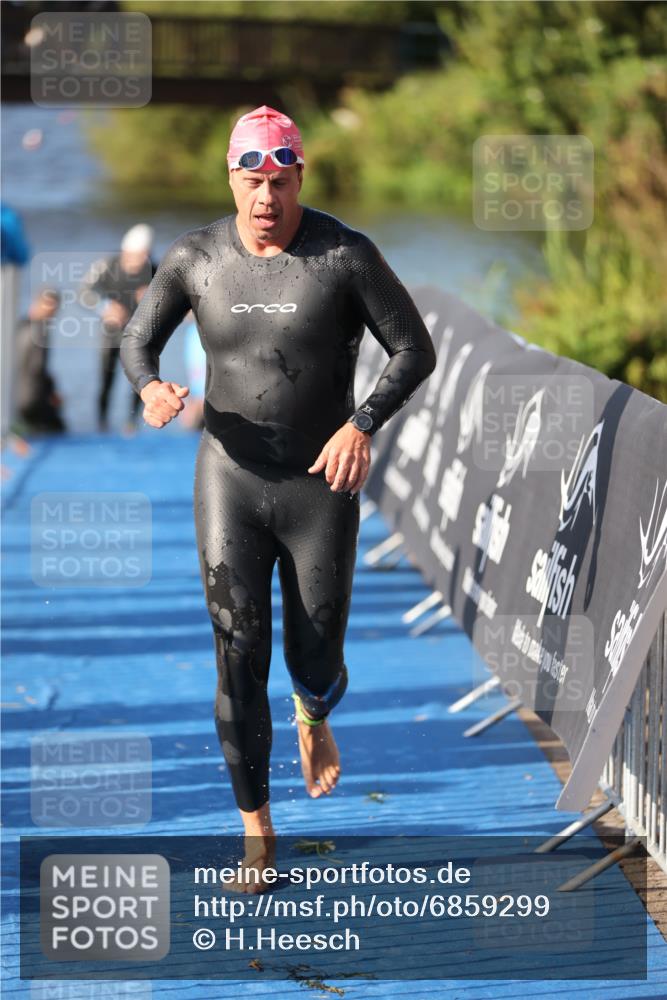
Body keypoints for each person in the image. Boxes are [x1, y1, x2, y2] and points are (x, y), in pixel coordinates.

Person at [120, 105, 436, 888]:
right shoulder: (195, 257)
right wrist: (150, 387)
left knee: (314, 651)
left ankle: (313, 712)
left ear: (299, 177)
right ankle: (257, 833)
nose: (266, 198)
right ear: (231, 177)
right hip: (228, 478)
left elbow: (413, 349)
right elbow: (136, 340)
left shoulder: (343, 254)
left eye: (280, 181)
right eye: (252, 180)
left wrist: (361, 424)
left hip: (319, 484)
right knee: (237, 653)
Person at [79, 223, 156, 432]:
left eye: (145, 256)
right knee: (106, 378)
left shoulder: (154, 270)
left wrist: (153, 298)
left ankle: (132, 425)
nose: (141, 261)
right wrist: (105, 308)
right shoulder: (107, 265)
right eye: (136, 256)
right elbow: (83, 292)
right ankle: (102, 424)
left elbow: (172, 299)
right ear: (125, 252)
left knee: (142, 378)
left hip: (141, 335)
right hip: (111, 333)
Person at [14, 287, 67, 435]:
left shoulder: (18, 326)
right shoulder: (39, 332)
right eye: (48, 305)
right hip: (30, 400)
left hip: (12, 397)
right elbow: (37, 370)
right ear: (37, 303)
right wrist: (52, 392)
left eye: (54, 307)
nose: (52, 311)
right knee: (59, 427)